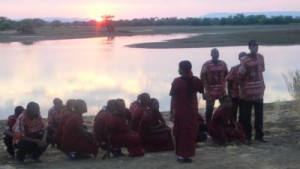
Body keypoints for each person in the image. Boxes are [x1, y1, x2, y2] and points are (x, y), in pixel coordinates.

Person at [170, 60, 204, 163]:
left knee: (180, 133)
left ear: (181, 69)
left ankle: (181, 155)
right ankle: (189, 156)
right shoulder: (196, 80)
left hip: (181, 112)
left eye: (179, 68)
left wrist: (172, 111)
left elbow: (173, 98)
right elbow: (203, 91)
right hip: (192, 111)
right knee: (191, 133)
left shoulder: (177, 81)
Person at [237, 40, 267, 144]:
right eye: (253, 46)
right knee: (246, 116)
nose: (255, 48)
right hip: (247, 93)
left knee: (259, 116)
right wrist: (242, 91)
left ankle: (259, 136)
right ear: (249, 47)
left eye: (256, 46)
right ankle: (247, 137)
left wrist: (263, 85)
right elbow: (240, 76)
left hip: (259, 92)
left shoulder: (261, 57)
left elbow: (260, 72)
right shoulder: (244, 60)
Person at [201, 48, 228, 126]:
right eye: (214, 53)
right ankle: (208, 126)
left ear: (219, 54)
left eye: (217, 53)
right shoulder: (206, 64)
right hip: (209, 92)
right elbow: (202, 79)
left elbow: (227, 76)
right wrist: (203, 92)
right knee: (209, 110)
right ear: (211, 54)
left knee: (223, 109)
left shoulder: (223, 64)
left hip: (222, 91)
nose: (215, 55)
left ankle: (223, 125)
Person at [225, 52, 247, 121]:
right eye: (242, 58)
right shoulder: (234, 68)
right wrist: (229, 95)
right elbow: (228, 81)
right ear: (239, 58)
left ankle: (240, 127)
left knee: (243, 113)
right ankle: (233, 127)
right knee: (233, 113)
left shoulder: (249, 68)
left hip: (245, 95)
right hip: (234, 95)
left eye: (245, 58)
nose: (244, 59)